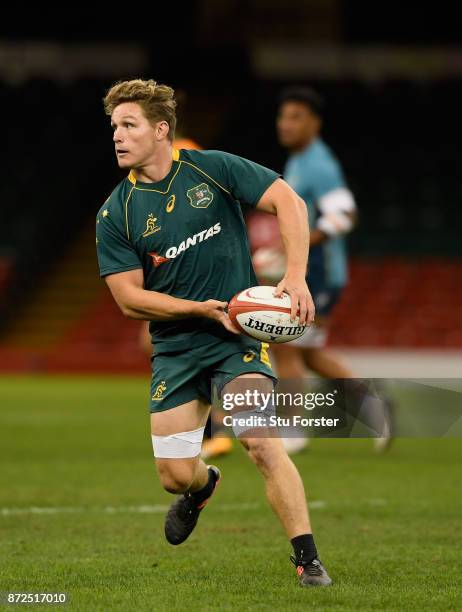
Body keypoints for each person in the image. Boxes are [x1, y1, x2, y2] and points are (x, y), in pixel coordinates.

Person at [96, 78, 332, 587]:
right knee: (175, 476)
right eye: (114, 126)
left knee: (261, 442)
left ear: (161, 130)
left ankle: (307, 559)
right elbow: (129, 298)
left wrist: (294, 277)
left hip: (237, 340)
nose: (117, 135)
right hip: (176, 349)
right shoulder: (115, 214)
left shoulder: (214, 169)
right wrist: (198, 310)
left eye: (129, 125)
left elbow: (289, 201)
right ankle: (203, 487)